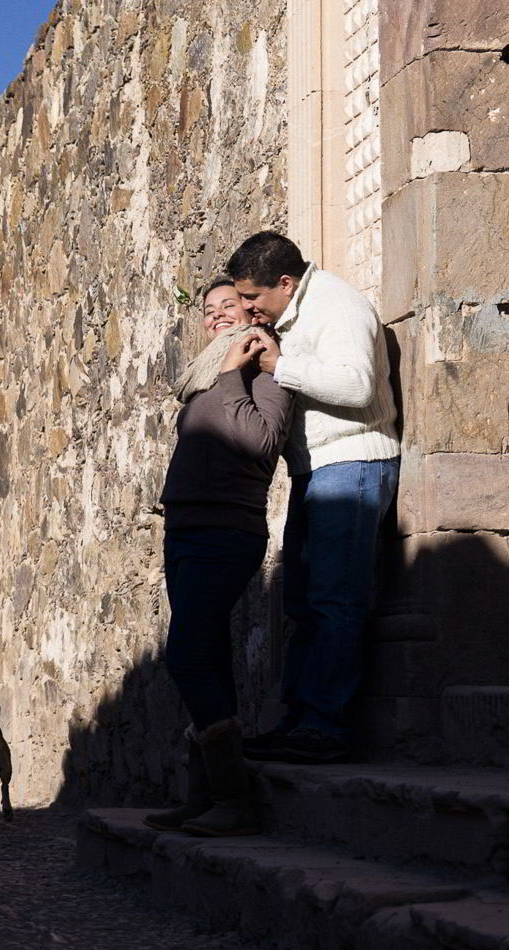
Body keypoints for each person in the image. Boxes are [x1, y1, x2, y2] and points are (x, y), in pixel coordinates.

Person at [226, 231, 400, 764]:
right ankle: (300, 720)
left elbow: (357, 387)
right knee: (302, 601)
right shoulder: (294, 311)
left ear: (285, 282)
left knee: (335, 600)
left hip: (352, 464)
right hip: (318, 470)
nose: (249, 309)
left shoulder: (338, 305)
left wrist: (281, 366)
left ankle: (326, 726)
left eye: (253, 298)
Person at [144, 279, 292, 837]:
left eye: (226, 306)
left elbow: (259, 443)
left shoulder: (267, 372)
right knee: (207, 655)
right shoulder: (207, 379)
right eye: (207, 311)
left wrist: (235, 371)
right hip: (186, 529)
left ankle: (235, 798)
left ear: (251, 311)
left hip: (226, 532)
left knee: (185, 656)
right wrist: (223, 372)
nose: (215, 318)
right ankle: (205, 797)